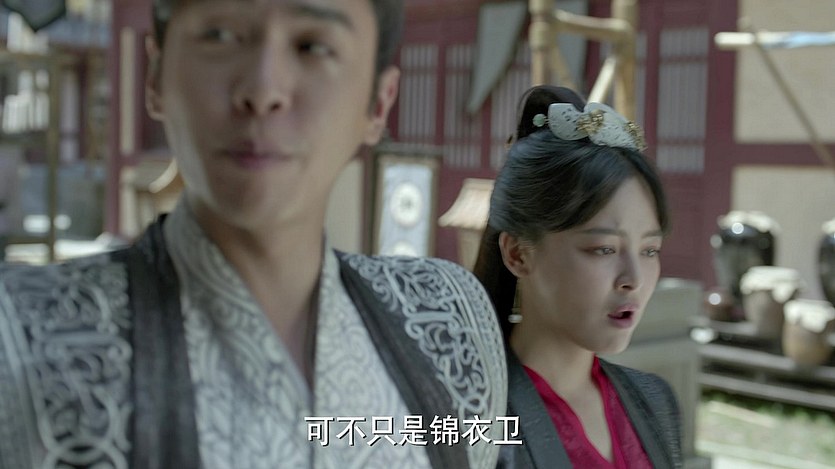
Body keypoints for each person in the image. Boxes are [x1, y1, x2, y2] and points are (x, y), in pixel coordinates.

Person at [0, 1, 506, 468]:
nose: (263, 92)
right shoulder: (18, 335)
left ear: (378, 102)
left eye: (312, 46)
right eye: (220, 35)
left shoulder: (450, 321)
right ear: (156, 76)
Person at [473, 85, 682, 468]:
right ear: (518, 253)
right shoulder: (470, 417)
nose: (634, 279)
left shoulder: (654, 402)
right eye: (603, 249)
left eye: (649, 250)